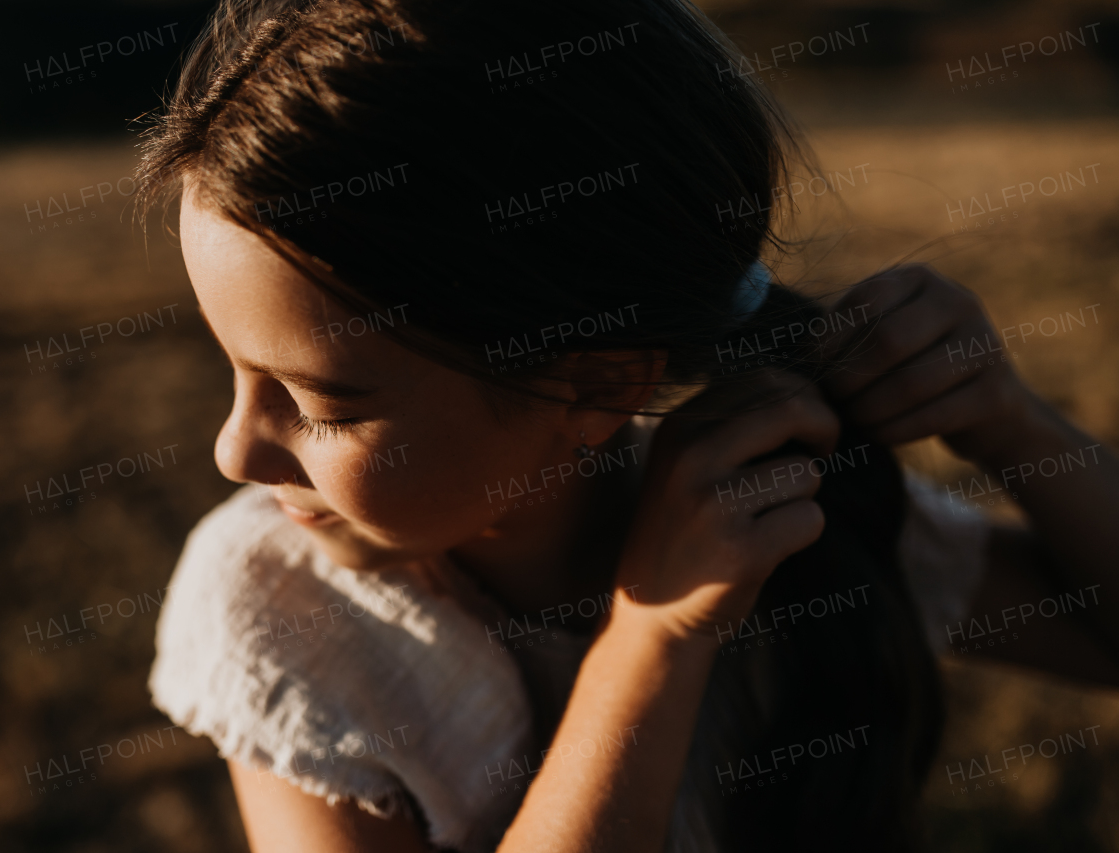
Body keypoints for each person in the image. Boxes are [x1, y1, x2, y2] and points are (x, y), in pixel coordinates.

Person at [134, 0, 1119, 850]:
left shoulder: (758, 501)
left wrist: (1013, 427)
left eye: (323, 403)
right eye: (236, 367)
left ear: (597, 385)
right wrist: (647, 643)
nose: (234, 449)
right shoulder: (277, 610)